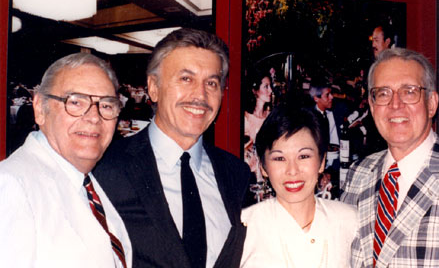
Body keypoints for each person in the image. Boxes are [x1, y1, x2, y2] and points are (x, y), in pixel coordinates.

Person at [93, 28, 251, 268]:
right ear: (153, 87)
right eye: (186, 79)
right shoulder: (106, 169)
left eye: (212, 83)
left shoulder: (236, 173)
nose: (200, 95)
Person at [340, 48, 439, 267]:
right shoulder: (358, 173)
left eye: (409, 91)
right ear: (372, 106)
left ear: (431, 104)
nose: (395, 105)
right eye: (384, 93)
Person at [0, 53, 132, 267]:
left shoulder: (88, 182)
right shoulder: (10, 186)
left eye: (106, 105)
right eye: (76, 102)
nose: (94, 117)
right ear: (40, 109)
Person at [240, 105, 358, 268]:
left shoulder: (350, 220)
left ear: (322, 162)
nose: (292, 171)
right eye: (279, 158)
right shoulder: (244, 227)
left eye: (303, 156)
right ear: (263, 167)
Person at [309, 83, 348, 198]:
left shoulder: (333, 113)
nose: (331, 97)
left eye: (331, 94)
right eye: (327, 95)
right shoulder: (310, 118)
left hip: (335, 164)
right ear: (316, 98)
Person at [244, 73, 273, 203]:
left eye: (270, 86)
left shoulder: (270, 117)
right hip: (250, 175)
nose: (270, 91)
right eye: (266, 87)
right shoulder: (246, 119)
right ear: (255, 91)